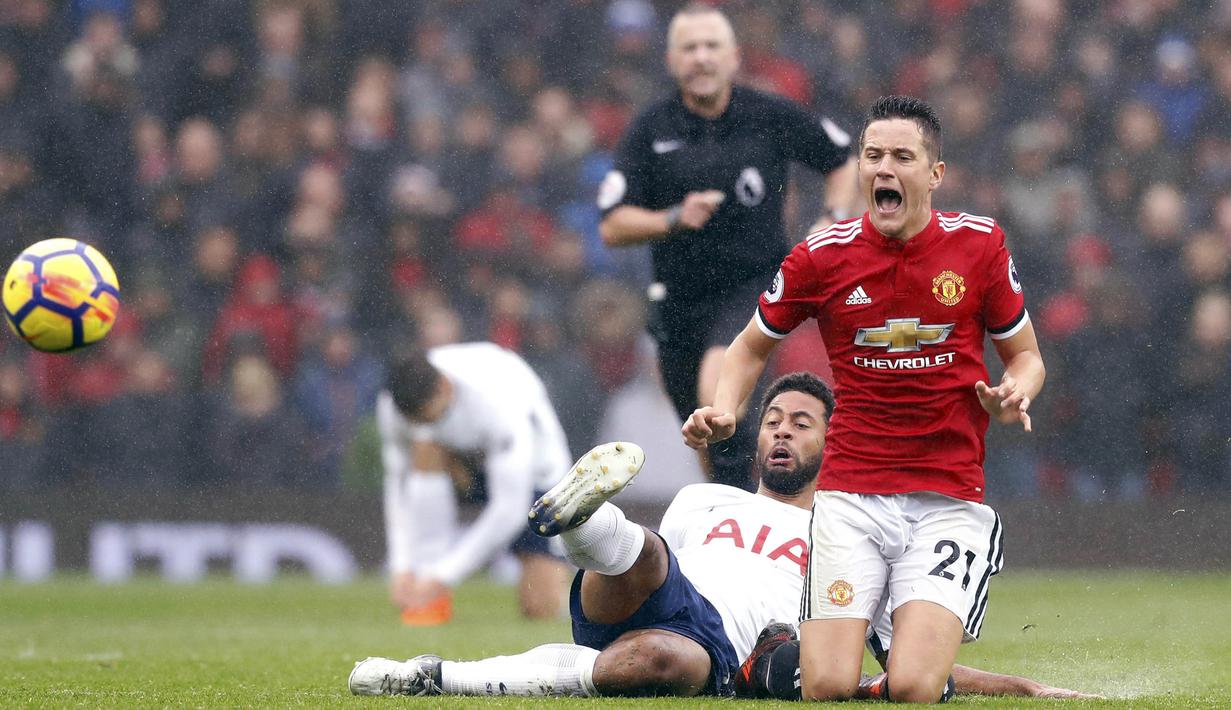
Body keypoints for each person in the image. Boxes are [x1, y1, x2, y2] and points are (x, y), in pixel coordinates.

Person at [349, 374, 1089, 700]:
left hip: (713, 649)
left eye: (800, 424)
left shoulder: (853, 538)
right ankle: (582, 520)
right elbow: (655, 576)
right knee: (643, 553)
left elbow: (910, 669)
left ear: (834, 446)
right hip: (656, 583)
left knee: (654, 659)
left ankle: (431, 674)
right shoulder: (702, 496)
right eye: (772, 420)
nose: (780, 431)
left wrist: (1017, 685)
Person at [683, 95, 1047, 703]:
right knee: (824, 685)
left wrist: (1017, 390)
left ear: (934, 173)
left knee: (911, 687)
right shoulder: (821, 256)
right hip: (851, 495)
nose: (884, 169)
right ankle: (779, 657)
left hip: (947, 497)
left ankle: (891, 674)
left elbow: (1028, 356)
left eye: (902, 156)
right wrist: (726, 408)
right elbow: (747, 347)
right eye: (872, 155)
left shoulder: (979, 246)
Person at [598, 2, 860, 489]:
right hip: (676, 300)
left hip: (753, 285)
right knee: (705, 435)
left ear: (734, 57)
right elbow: (613, 224)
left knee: (716, 394)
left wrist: (832, 219)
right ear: (672, 60)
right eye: (689, 48)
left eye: (711, 46)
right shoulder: (650, 129)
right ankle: (735, 515)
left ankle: (743, 527)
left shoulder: (769, 114)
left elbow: (842, 158)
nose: (701, 57)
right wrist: (672, 218)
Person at [376, 342, 573, 624]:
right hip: (464, 466)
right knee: (425, 445)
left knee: (540, 607)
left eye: (433, 417)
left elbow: (510, 509)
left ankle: (431, 579)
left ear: (445, 387)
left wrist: (444, 576)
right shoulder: (393, 406)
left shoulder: (497, 401)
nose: (428, 425)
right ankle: (427, 583)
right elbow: (398, 486)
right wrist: (402, 566)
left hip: (535, 475)